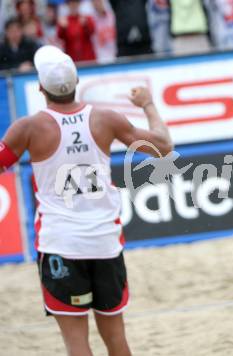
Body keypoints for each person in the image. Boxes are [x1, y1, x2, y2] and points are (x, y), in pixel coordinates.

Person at [0, 45, 173, 356]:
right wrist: (147, 104)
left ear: (40, 87)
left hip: (61, 244)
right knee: (117, 340)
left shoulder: (29, 127)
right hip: (104, 243)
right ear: (77, 80)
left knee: (76, 344)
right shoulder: (106, 118)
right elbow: (163, 146)